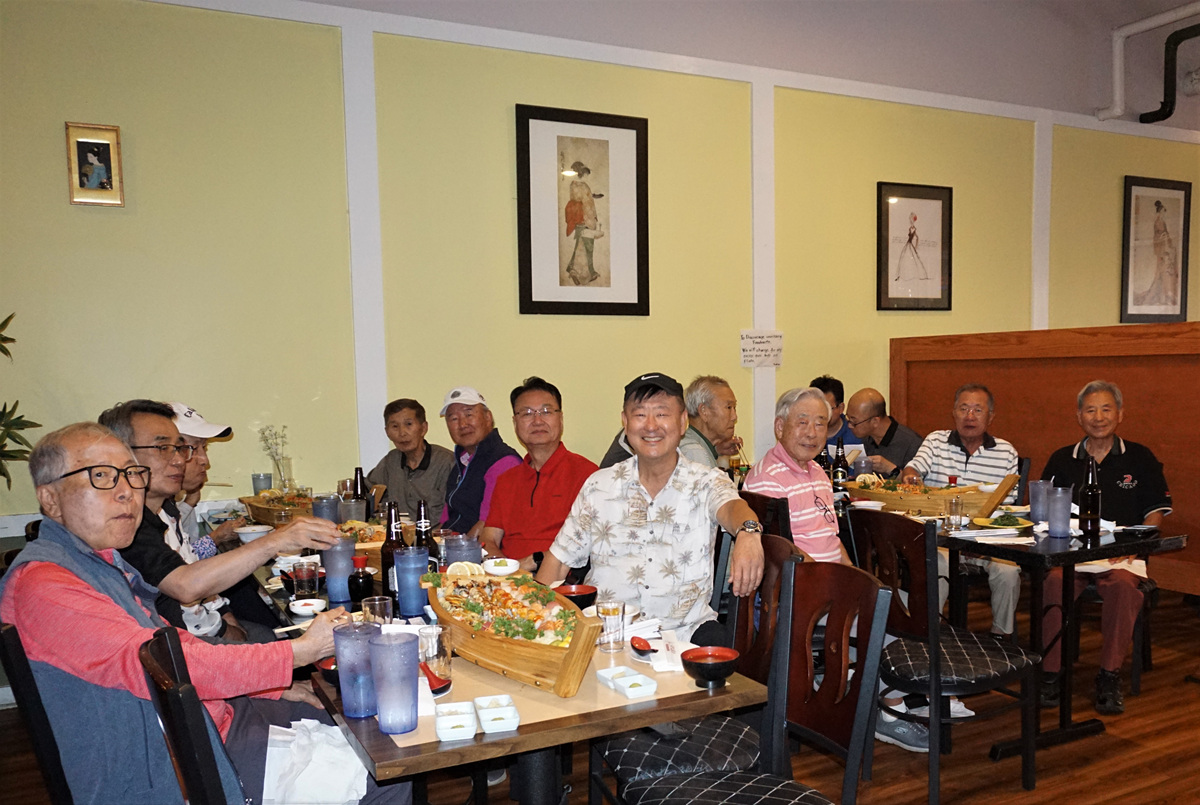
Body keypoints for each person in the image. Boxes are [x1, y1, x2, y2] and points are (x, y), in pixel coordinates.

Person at [0, 422, 409, 805]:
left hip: (213, 719)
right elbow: (165, 666)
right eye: (102, 476)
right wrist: (299, 652)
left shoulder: (98, 562)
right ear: (50, 499)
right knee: (388, 772)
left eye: (131, 475)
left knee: (363, 725)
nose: (127, 492)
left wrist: (269, 687)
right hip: (181, 762)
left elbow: (174, 642)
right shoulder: (45, 585)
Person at [535, 372, 764, 644]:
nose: (651, 425)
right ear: (625, 422)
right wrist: (534, 615)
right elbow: (559, 561)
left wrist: (749, 532)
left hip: (683, 635)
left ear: (683, 422)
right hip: (607, 636)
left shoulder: (705, 481)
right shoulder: (599, 486)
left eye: (662, 414)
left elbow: (732, 507)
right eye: (640, 414)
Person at [98, 400, 340, 641]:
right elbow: (185, 586)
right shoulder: (124, 527)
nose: (181, 460)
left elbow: (193, 574)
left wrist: (226, 619)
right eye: (163, 448)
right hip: (181, 647)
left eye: (180, 448)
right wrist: (278, 540)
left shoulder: (164, 509)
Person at [1039, 381, 1171, 715]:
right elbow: (1043, 513)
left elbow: (1155, 514)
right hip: (1071, 553)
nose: (1098, 417)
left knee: (1124, 588)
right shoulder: (1062, 459)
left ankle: (1109, 676)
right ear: (1079, 416)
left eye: (1106, 409)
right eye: (1090, 410)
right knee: (1054, 582)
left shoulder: (1140, 458)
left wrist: (1137, 544)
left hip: (1121, 556)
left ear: (1120, 414)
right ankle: (1050, 673)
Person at [900, 384, 1020, 638]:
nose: (970, 416)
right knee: (938, 563)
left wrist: (980, 536)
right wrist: (910, 476)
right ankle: (929, 633)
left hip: (985, 542)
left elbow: (1007, 507)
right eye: (963, 409)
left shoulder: (1006, 452)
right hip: (941, 539)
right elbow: (913, 469)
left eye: (978, 410)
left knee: (1008, 571)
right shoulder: (936, 441)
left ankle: (1001, 637)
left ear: (991, 416)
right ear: (953, 413)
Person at [480, 377, 597, 573]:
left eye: (546, 412)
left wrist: (533, 563)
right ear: (515, 422)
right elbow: (489, 539)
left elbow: (588, 546)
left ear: (560, 419)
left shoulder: (588, 475)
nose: (537, 421)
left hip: (560, 580)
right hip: (509, 579)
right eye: (527, 413)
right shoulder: (506, 480)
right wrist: (507, 571)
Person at [743, 387, 849, 565]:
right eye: (802, 422)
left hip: (830, 575)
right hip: (801, 578)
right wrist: (828, 577)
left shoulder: (818, 471)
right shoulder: (768, 478)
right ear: (780, 427)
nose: (812, 433)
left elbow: (830, 537)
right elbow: (779, 551)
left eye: (820, 424)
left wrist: (851, 571)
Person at [439, 386, 521, 536]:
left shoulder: (504, 462)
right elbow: (446, 520)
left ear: (488, 417)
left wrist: (455, 548)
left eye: (469, 414)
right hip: (455, 543)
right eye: (454, 419)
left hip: (480, 547)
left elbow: (487, 524)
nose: (462, 424)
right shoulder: (462, 463)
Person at [169, 402, 241, 556]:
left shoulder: (167, 504)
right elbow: (185, 564)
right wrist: (217, 536)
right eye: (193, 448)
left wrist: (191, 500)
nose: (205, 461)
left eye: (205, 448)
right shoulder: (145, 515)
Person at [367, 398, 454, 523]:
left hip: (433, 534)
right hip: (395, 533)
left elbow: (455, 512)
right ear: (387, 432)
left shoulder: (446, 462)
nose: (402, 433)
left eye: (408, 424)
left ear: (423, 428)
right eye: (395, 426)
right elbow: (368, 492)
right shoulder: (391, 461)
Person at [845, 388, 923, 477]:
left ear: (875, 421)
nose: (849, 426)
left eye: (854, 422)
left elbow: (917, 483)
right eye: (848, 419)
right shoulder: (864, 438)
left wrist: (890, 469)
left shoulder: (912, 443)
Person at [679, 375, 743, 468]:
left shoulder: (692, 445)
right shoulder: (694, 452)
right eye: (728, 407)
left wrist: (716, 450)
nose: (734, 417)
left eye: (734, 408)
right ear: (704, 411)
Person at [810, 374, 864, 458]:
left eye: (827, 408)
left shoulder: (857, 435)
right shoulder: (805, 434)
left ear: (841, 408)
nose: (820, 414)